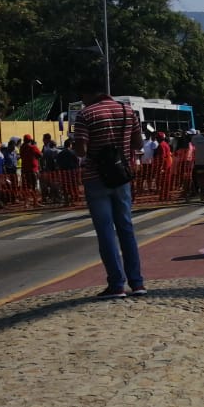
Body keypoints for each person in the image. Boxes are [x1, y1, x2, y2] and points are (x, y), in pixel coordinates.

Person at [72, 76, 146, 299]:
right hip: (121, 177)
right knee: (126, 228)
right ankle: (138, 282)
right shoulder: (127, 110)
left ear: (88, 94)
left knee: (105, 231)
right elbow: (138, 144)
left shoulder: (85, 115)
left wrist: (83, 144)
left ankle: (116, 284)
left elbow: (81, 151)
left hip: (96, 179)